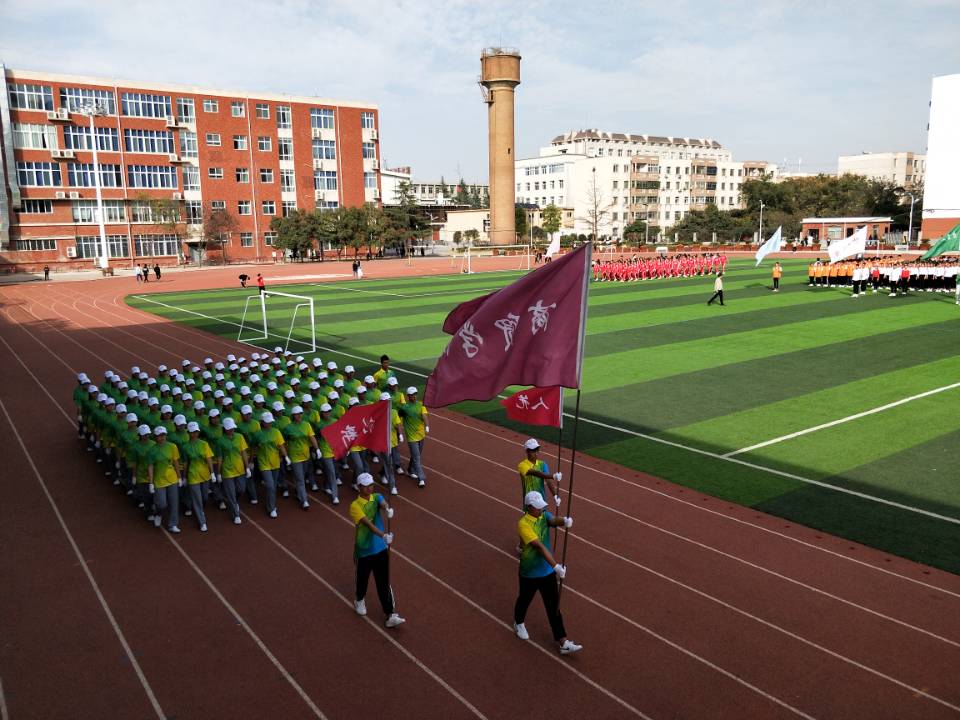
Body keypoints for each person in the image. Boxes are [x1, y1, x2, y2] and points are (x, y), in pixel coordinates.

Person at [513, 491, 580, 655]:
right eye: (538, 507)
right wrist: (556, 566)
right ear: (529, 507)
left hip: (546, 571)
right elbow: (539, 547)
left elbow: (553, 520)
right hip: (530, 572)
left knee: (553, 606)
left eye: (542, 506)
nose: (541, 510)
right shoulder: (523, 524)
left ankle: (563, 641)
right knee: (524, 600)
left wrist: (564, 521)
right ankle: (518, 622)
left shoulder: (543, 516)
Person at [349, 473, 404, 628]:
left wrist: (387, 509)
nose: (369, 488)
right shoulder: (355, 506)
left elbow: (382, 502)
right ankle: (359, 600)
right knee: (362, 580)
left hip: (380, 549)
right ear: (359, 487)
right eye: (366, 486)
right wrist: (383, 535)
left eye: (371, 485)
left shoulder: (377, 497)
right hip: (364, 550)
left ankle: (390, 614)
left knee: (384, 581)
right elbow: (368, 524)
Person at [253, 411, 289, 518]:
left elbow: (281, 445)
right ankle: (271, 508)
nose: (269, 423)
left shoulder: (276, 432)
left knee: (273, 486)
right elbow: (254, 447)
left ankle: (271, 503)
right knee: (269, 485)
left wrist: (286, 457)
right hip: (263, 463)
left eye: (270, 422)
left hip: (275, 462)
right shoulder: (257, 434)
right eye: (267, 422)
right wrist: (251, 461)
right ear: (262, 422)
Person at [148, 426, 182, 533]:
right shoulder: (152, 450)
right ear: (155, 437)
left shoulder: (172, 446)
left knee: (174, 503)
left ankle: (173, 524)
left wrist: (179, 477)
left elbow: (176, 462)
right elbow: (150, 466)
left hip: (172, 478)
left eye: (163, 435)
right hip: (159, 480)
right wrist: (151, 483)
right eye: (159, 435)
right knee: (161, 503)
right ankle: (158, 513)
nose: (162, 437)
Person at [182, 421, 215, 532]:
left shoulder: (204, 444)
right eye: (192, 432)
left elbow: (209, 458)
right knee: (197, 499)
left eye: (196, 431)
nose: (194, 434)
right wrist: (184, 477)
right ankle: (202, 521)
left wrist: (212, 473)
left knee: (204, 497)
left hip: (205, 474)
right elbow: (185, 463)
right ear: (188, 433)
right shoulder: (185, 447)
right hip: (193, 475)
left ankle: (200, 509)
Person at [517, 438, 562, 509]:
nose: (536, 452)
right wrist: (554, 476)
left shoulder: (543, 464)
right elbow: (536, 473)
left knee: (544, 516)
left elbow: (548, 480)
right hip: (529, 502)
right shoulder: (522, 465)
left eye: (537, 449)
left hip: (541, 500)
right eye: (533, 450)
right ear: (527, 451)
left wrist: (555, 496)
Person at [399, 386, 428, 487]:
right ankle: (421, 478)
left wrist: (427, 426)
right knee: (417, 457)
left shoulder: (421, 405)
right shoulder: (404, 408)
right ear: (408, 396)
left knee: (416, 455)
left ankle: (410, 470)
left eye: (415, 394)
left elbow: (424, 416)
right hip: (411, 437)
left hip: (421, 435)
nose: (414, 396)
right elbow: (397, 416)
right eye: (411, 395)